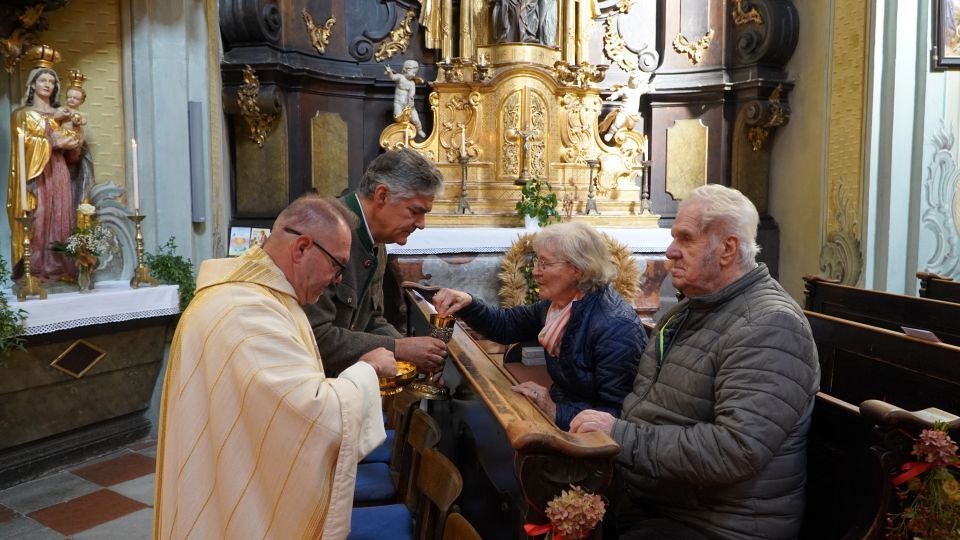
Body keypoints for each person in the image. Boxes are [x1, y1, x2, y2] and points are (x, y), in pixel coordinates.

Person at [570, 184, 820, 540]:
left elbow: (735, 450)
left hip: (715, 523)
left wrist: (619, 434)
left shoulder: (770, 325)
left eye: (685, 239)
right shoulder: (694, 307)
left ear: (727, 249)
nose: (670, 251)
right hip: (659, 500)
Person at [154, 196, 397, 539]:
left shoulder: (256, 297)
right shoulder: (247, 312)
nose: (337, 280)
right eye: (337, 266)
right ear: (302, 248)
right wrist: (368, 369)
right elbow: (311, 413)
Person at [432, 222, 646, 431]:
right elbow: (506, 325)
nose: (535, 271)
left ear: (577, 270)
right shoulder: (561, 305)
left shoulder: (615, 327)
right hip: (566, 410)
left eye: (545, 264)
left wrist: (555, 411)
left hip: (587, 439)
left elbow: (614, 416)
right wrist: (468, 303)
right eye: (537, 261)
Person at [304, 148, 446, 376]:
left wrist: (413, 354)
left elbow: (371, 319)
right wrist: (399, 348)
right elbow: (314, 337)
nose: (422, 224)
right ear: (382, 195)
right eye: (415, 211)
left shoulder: (376, 239)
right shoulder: (326, 232)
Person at [7, 47, 82, 281]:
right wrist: (53, 137)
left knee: (61, 217)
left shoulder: (63, 113)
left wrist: (74, 136)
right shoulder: (22, 114)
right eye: (43, 80)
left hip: (58, 170)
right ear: (32, 84)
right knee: (38, 218)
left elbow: (73, 155)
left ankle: (61, 268)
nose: (48, 85)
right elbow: (24, 144)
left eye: (52, 81)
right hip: (36, 175)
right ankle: (35, 270)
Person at [600, 71, 654, 143]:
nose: (637, 83)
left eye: (639, 81)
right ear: (631, 80)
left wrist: (652, 85)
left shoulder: (639, 90)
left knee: (630, 127)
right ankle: (610, 133)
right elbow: (617, 94)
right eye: (636, 80)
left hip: (633, 115)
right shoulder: (625, 89)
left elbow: (647, 88)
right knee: (618, 122)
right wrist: (612, 97)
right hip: (624, 112)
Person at [385, 60, 426, 139]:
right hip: (398, 103)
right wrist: (389, 72)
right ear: (406, 69)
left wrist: (411, 98)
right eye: (413, 72)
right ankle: (401, 132)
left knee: (416, 120)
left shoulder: (412, 83)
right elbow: (393, 77)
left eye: (415, 73)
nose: (414, 75)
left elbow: (412, 92)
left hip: (409, 105)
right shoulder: (400, 77)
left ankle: (419, 130)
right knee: (398, 117)